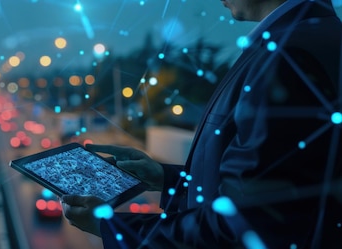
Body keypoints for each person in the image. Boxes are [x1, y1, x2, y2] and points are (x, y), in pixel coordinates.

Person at [62, 0, 342, 248]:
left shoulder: (287, 57)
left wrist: (109, 226)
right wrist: (167, 178)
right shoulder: (313, 37)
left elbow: (242, 224)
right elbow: (274, 189)